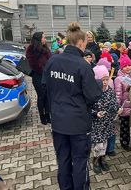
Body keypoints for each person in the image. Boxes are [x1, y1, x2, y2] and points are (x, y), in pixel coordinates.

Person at [42, 22, 102, 190]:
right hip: (78, 124)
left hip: (59, 121)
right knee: (80, 162)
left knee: (63, 160)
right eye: (86, 43)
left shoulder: (53, 60)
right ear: (81, 43)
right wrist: (98, 84)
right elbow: (93, 96)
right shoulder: (83, 65)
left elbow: (45, 87)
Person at [91, 65, 120, 174]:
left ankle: (103, 159)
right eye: (102, 80)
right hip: (97, 124)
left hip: (107, 123)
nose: (104, 82)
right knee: (98, 145)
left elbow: (114, 104)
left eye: (106, 79)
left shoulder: (110, 91)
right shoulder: (92, 92)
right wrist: (95, 113)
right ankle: (95, 161)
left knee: (105, 143)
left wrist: (118, 109)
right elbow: (87, 108)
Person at [26, 31, 51, 125]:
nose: (45, 39)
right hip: (38, 76)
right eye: (44, 37)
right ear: (38, 39)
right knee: (41, 96)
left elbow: (50, 60)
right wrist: (44, 71)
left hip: (47, 76)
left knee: (48, 97)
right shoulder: (31, 49)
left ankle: (48, 115)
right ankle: (42, 116)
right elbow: (33, 65)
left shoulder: (46, 48)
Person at [114, 54, 131, 151]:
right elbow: (118, 94)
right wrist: (118, 106)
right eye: (125, 66)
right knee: (125, 127)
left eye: (129, 65)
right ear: (121, 67)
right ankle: (124, 143)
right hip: (125, 107)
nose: (127, 68)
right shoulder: (119, 79)